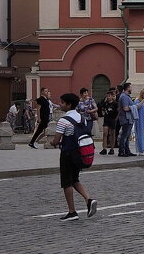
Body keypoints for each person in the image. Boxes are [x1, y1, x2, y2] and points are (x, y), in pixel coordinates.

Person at [50, 93, 98, 221]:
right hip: (79, 153)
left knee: (66, 182)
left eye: (62, 102)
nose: (60, 104)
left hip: (67, 153)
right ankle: (89, 199)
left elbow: (56, 139)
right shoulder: (82, 118)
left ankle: (72, 212)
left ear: (69, 104)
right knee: (75, 179)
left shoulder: (64, 120)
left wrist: (52, 143)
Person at [116, 83, 136, 157]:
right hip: (126, 118)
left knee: (127, 136)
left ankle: (127, 150)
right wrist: (133, 107)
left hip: (129, 118)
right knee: (124, 135)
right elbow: (125, 108)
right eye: (130, 87)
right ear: (127, 88)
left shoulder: (127, 96)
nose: (131, 89)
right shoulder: (124, 97)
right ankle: (121, 151)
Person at [99, 89, 118, 155]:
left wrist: (116, 118)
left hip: (112, 119)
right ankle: (104, 148)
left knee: (112, 134)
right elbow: (101, 108)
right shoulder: (105, 103)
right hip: (106, 119)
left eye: (109, 96)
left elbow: (118, 111)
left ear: (112, 96)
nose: (108, 97)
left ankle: (112, 149)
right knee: (105, 133)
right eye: (107, 96)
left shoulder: (115, 103)